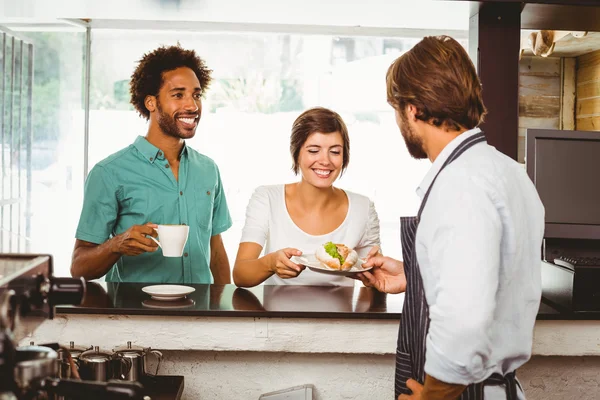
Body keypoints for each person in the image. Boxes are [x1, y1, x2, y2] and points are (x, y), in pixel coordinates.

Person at [357, 36, 545, 400]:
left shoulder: (460, 184)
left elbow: (466, 319)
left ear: (411, 109)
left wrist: (433, 396)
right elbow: (492, 279)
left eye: (397, 111)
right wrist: (415, 277)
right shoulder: (508, 171)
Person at [71, 45, 232, 284]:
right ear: (151, 102)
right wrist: (116, 245)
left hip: (202, 314)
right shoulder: (109, 173)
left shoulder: (208, 169)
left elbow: (215, 248)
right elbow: (79, 267)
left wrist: (224, 309)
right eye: (178, 95)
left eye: (196, 95)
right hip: (136, 316)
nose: (192, 106)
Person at [233, 107, 380, 288]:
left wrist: (373, 275)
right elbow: (240, 274)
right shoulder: (267, 199)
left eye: (335, 152)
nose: (325, 161)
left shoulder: (363, 208)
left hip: (342, 316)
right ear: (297, 154)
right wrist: (270, 263)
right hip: (277, 316)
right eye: (313, 150)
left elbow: (375, 281)